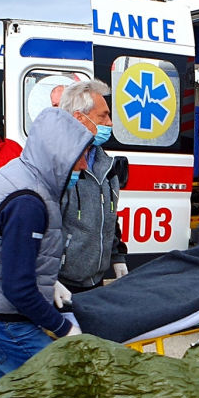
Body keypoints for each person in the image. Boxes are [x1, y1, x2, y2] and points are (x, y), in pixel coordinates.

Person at [0, 106, 94, 382]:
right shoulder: (28, 201)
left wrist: (47, 280)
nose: (85, 165)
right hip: (0, 322)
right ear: (59, 154)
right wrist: (63, 328)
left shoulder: (21, 174)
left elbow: (7, 253)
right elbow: (18, 288)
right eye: (81, 155)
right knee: (61, 392)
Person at [58, 79, 129, 295]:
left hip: (94, 281)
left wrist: (117, 256)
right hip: (61, 283)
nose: (109, 123)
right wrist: (46, 278)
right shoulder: (59, 166)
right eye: (103, 116)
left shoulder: (105, 165)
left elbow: (109, 216)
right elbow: (43, 229)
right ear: (80, 117)